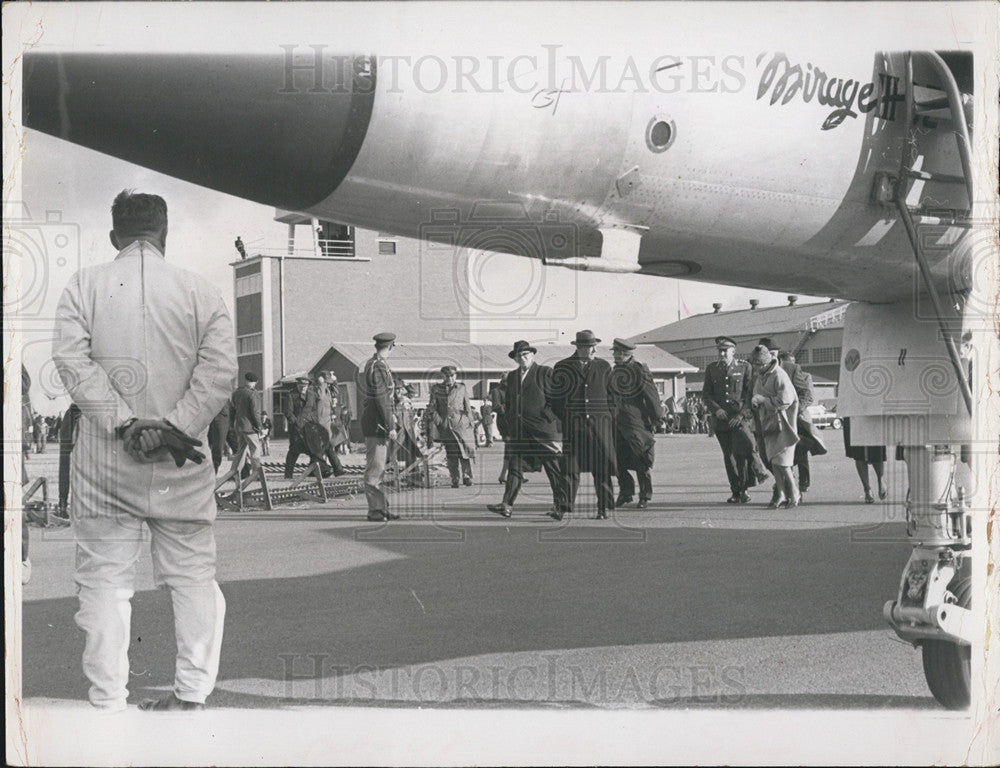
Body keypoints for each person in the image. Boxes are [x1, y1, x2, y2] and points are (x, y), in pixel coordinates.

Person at [51, 190, 237, 712]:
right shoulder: (200, 291)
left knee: (105, 582)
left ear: (115, 237)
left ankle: (107, 700)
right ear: (164, 233)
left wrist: (126, 423)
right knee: (193, 576)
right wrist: (175, 428)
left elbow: (72, 363)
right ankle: (192, 695)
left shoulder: (83, 286)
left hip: (106, 463)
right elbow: (219, 373)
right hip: (181, 463)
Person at [487, 340, 567, 518]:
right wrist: (509, 421)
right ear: (515, 359)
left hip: (542, 430)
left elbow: (558, 398)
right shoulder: (513, 376)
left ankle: (560, 507)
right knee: (515, 467)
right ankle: (506, 504)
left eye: (526, 355)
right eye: (519, 356)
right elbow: (508, 402)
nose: (522, 358)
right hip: (519, 432)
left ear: (533, 355)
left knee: (552, 468)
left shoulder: (545, 372)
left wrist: (546, 416)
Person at [550, 330, 617, 520]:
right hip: (574, 428)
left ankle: (603, 508)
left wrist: (608, 417)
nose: (593, 349)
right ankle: (563, 507)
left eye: (594, 346)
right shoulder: (563, 367)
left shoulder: (604, 367)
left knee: (601, 469)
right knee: (570, 469)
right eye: (589, 347)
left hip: (600, 428)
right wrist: (567, 417)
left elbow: (612, 397)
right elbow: (555, 399)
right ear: (579, 347)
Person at [702, 336, 768, 504]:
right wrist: (717, 410)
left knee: (743, 452)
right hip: (721, 421)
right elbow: (706, 395)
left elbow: (749, 393)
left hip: (739, 418)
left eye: (725, 350)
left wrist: (741, 415)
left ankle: (745, 489)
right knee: (729, 456)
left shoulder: (745, 367)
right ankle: (736, 491)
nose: (722, 353)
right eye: (720, 350)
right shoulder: (712, 369)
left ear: (733, 351)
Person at [610, 338, 664, 509]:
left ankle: (645, 495)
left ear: (627, 354)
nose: (616, 356)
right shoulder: (613, 371)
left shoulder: (638, 370)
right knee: (617, 461)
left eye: (619, 353)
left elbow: (652, 396)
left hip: (636, 423)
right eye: (615, 353)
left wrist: (658, 419)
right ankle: (626, 493)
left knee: (641, 460)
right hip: (617, 423)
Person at [749, 344, 800, 508]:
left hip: (784, 424)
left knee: (783, 462)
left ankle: (795, 493)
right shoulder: (761, 376)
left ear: (766, 362)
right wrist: (756, 401)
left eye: (758, 365)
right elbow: (757, 394)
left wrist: (764, 401)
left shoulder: (779, 375)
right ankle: (782, 494)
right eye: (754, 365)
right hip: (769, 424)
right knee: (774, 461)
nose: (756, 368)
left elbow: (786, 400)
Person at [359, 332, 400, 521]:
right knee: (375, 468)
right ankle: (375, 510)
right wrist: (389, 424)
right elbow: (381, 398)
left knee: (380, 468)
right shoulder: (377, 366)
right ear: (391, 346)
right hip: (377, 424)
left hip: (379, 423)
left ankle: (381, 507)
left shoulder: (377, 364)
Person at [425, 366, 477, 487]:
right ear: (442, 376)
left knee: (464, 452)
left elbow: (467, 406)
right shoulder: (436, 389)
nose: (450, 378)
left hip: (461, 425)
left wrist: (470, 422)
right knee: (451, 453)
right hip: (446, 426)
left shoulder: (461, 388)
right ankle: (454, 478)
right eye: (447, 375)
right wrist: (439, 421)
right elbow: (433, 407)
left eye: (453, 375)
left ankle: (467, 476)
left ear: (456, 376)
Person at [302, 372, 346, 477]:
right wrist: (322, 383)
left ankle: (327, 470)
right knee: (321, 448)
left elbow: (336, 391)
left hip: (327, 423)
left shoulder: (328, 390)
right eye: (327, 382)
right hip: (318, 424)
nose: (329, 385)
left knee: (324, 448)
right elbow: (320, 397)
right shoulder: (314, 390)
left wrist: (334, 381)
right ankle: (330, 470)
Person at [843, 417, 887, 503]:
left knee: (876, 447)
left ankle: (880, 479)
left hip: (872, 412)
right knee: (858, 451)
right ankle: (867, 489)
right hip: (854, 415)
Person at [231, 372, 263, 478]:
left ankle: (234, 473)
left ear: (245, 381)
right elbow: (255, 412)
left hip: (239, 426)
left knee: (240, 451)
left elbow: (233, 409)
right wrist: (260, 427)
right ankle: (256, 474)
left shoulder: (237, 392)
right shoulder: (253, 394)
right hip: (250, 427)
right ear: (255, 383)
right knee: (255, 449)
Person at [282, 377, 311, 479]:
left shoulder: (311, 395)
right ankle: (288, 474)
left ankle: (315, 472)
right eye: (301, 386)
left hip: (309, 428)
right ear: (297, 386)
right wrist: (296, 422)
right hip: (296, 429)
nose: (303, 388)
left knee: (313, 450)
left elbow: (314, 409)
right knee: (294, 451)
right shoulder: (291, 395)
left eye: (305, 386)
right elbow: (288, 412)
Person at [57, 403, 82, 517]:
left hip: (76, 418)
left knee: (65, 467)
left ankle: (63, 504)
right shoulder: (74, 411)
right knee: (67, 467)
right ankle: (63, 504)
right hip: (77, 419)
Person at [207, 399, 232, 472]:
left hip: (226, 422)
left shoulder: (227, 395)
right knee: (217, 449)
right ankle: (213, 472)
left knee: (237, 446)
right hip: (218, 421)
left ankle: (245, 471)